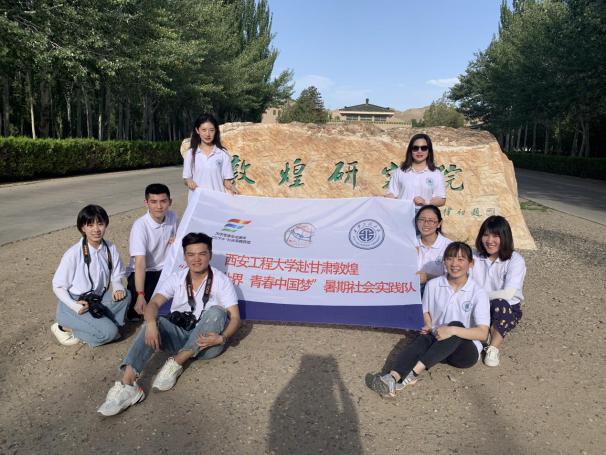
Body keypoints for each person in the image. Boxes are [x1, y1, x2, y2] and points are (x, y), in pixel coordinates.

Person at [97, 232, 241, 416]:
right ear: (184, 256)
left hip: (208, 344)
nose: (196, 259)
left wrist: (222, 338)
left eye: (202, 254)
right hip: (180, 335)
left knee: (217, 312)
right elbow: (153, 304)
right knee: (153, 322)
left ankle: (176, 362)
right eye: (191, 254)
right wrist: (150, 324)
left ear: (210, 255)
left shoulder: (221, 281)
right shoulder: (177, 278)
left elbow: (235, 318)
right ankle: (128, 385)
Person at [366, 242, 489, 398]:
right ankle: (392, 377)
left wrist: (452, 330)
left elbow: (483, 333)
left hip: (463, 353)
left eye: (460, 259)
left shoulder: (478, 293)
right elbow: (426, 312)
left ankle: (411, 374)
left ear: (471, 263)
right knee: (424, 337)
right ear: (444, 261)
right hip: (436, 346)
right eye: (450, 258)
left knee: (455, 327)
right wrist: (428, 324)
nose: (454, 264)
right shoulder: (433, 285)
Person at [51, 205, 129, 347]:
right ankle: (64, 327)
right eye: (90, 225)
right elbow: (58, 285)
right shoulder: (73, 253)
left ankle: (102, 326)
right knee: (111, 333)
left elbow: (117, 273)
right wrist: (73, 305)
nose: (96, 229)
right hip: (76, 303)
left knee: (126, 295)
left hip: (96, 298)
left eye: (100, 224)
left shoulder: (110, 247)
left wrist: (118, 286)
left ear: (106, 224)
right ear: (83, 228)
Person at [471, 216, 526, 367]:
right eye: (486, 235)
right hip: (476, 305)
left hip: (506, 308)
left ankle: (493, 348)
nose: (490, 240)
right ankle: (482, 333)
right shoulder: (473, 256)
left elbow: (507, 294)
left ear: (505, 237)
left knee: (499, 303)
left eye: (496, 236)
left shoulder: (515, 260)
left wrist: (478, 297)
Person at [126, 183, 179, 321]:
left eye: (163, 201)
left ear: (170, 202)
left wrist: (178, 241)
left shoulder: (173, 217)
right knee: (140, 310)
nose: (159, 206)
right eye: (153, 202)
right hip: (145, 271)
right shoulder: (140, 226)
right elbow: (140, 264)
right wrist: (140, 294)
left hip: (166, 270)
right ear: (146, 203)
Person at [182, 113, 238, 201]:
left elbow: (226, 181)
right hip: (197, 201)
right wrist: (189, 182)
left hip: (217, 201)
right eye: (204, 130)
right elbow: (186, 179)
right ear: (197, 130)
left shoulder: (222, 153)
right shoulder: (190, 154)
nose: (208, 134)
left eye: (211, 130)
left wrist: (232, 188)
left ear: (216, 131)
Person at [386, 133, 446, 208]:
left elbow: (441, 199)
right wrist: (381, 198)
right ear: (410, 150)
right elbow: (392, 194)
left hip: (424, 214)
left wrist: (426, 202)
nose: (419, 151)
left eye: (424, 148)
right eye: (415, 148)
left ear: (429, 151)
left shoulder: (436, 173)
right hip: (402, 213)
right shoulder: (400, 171)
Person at [415, 205, 452, 292]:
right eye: (422, 219)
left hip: (438, 292)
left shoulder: (449, 246)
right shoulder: (410, 243)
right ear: (416, 222)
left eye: (431, 220)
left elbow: (454, 278)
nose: (426, 224)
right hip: (411, 292)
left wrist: (428, 277)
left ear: (439, 223)